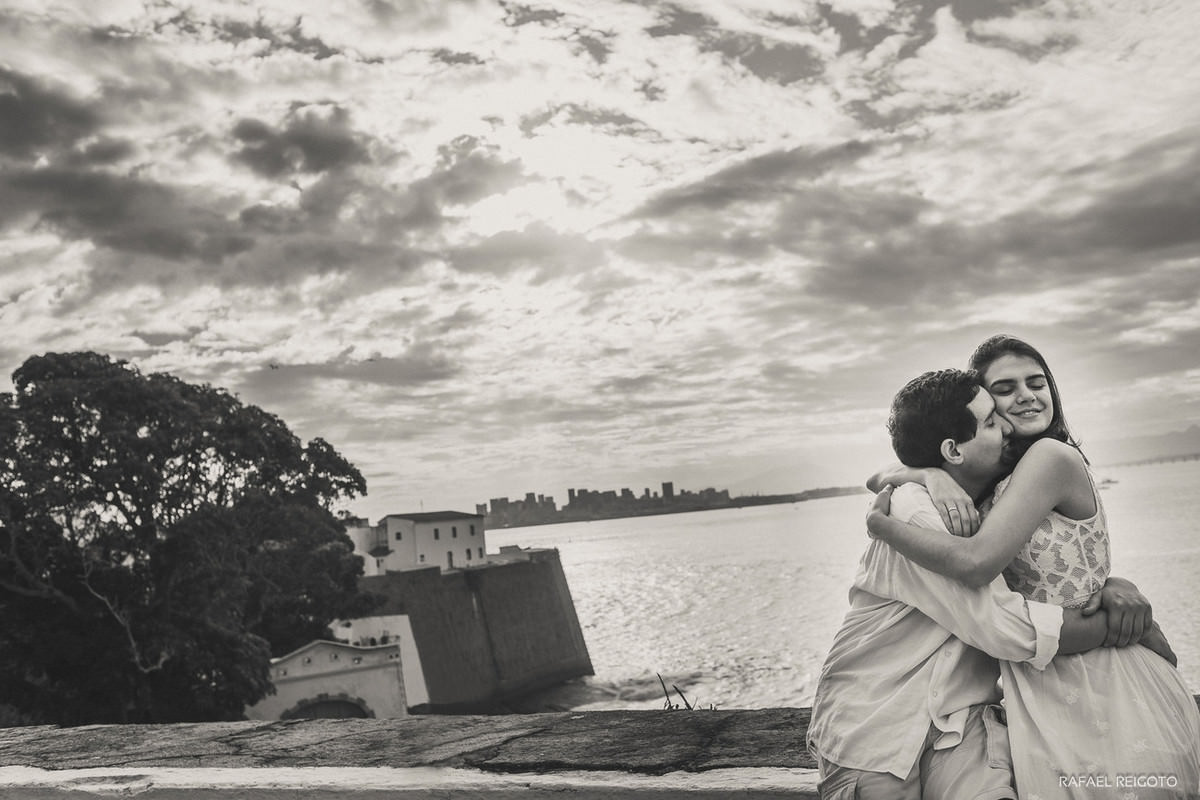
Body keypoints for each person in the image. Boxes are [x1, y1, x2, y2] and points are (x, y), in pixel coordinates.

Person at [807, 368, 1173, 800]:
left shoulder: (988, 502)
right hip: (875, 723)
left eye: (1033, 385)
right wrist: (1127, 628)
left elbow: (1050, 569)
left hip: (961, 721)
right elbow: (1006, 627)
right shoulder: (914, 512)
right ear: (953, 449)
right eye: (991, 419)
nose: (1006, 424)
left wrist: (1111, 582)